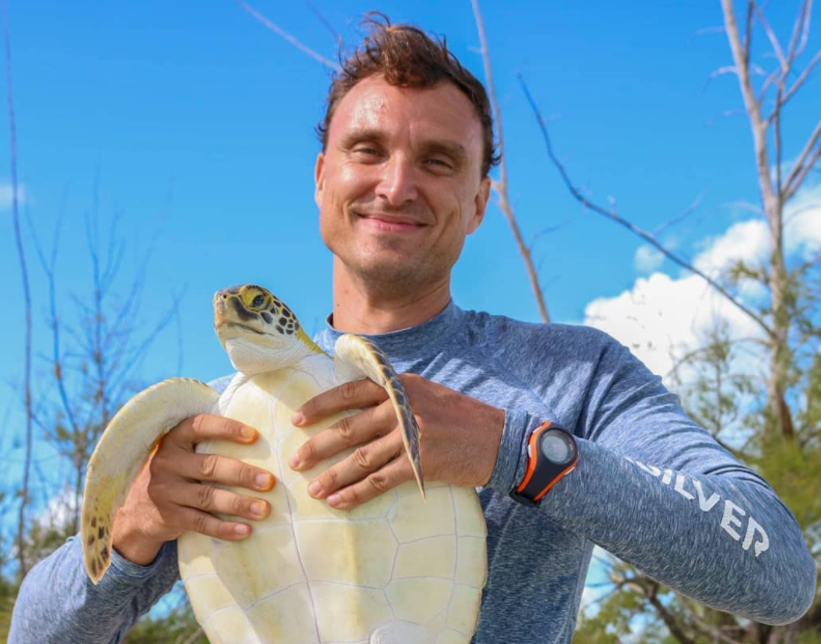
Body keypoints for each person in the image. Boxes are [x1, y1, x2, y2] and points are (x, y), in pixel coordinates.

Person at [10, 15, 816, 644]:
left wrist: (518, 450)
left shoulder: (569, 377)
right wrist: (136, 523)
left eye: (437, 161)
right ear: (321, 177)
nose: (396, 184)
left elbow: (780, 574)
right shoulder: (223, 420)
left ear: (477, 201)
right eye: (367, 150)